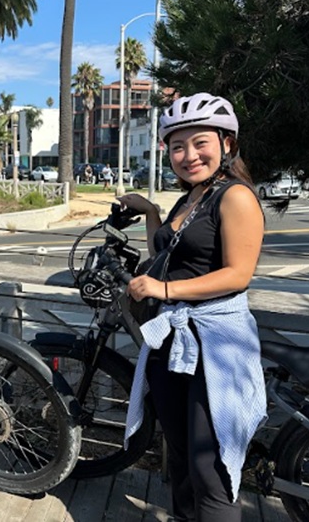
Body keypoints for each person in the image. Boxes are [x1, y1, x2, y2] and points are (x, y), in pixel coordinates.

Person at [118, 93, 267, 521]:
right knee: (179, 451)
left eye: (200, 142)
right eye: (177, 146)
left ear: (227, 143)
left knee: (211, 464)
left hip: (216, 343)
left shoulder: (234, 197)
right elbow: (168, 254)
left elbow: (239, 274)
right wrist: (151, 212)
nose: (188, 155)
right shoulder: (192, 198)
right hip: (175, 339)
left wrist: (162, 292)